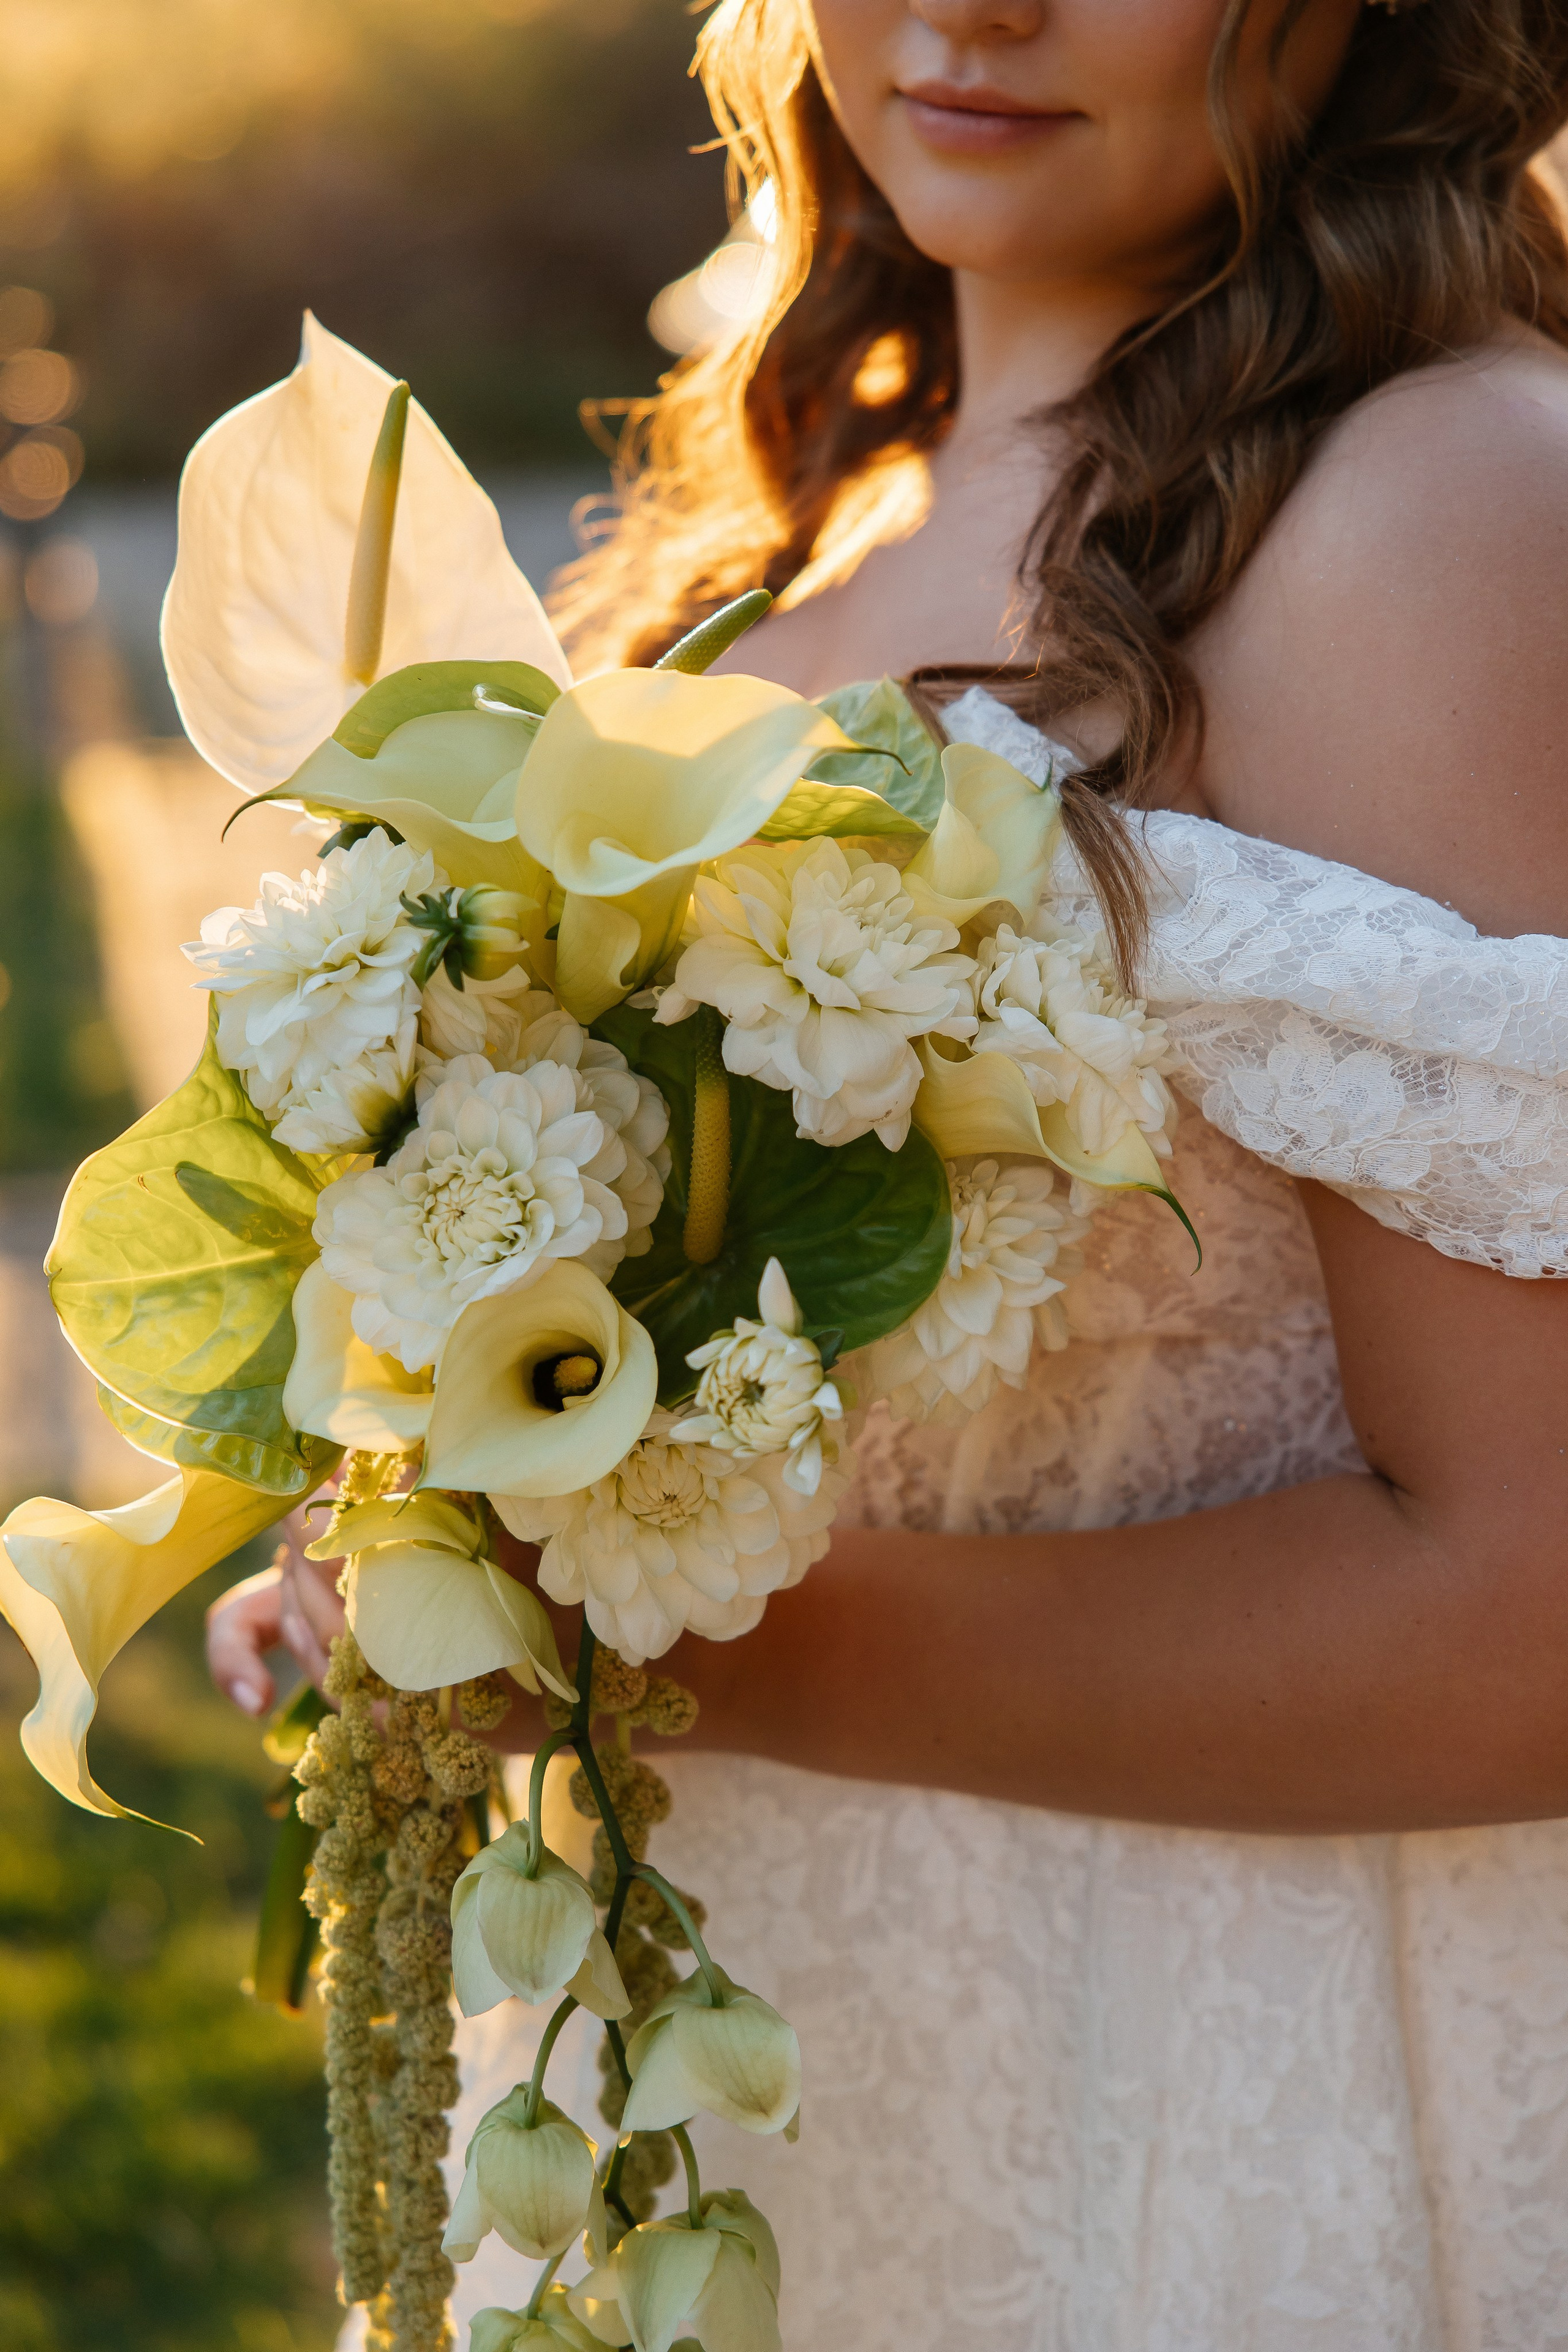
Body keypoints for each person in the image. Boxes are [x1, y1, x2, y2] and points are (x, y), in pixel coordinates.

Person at [208, 0, 1568, 2341]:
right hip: (759, 2087)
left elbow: (1534, 1616)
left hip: (1213, 2104)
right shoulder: (791, 515)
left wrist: (653, 1646)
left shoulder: (1440, 501)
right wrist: (421, 1525)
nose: (976, 4)